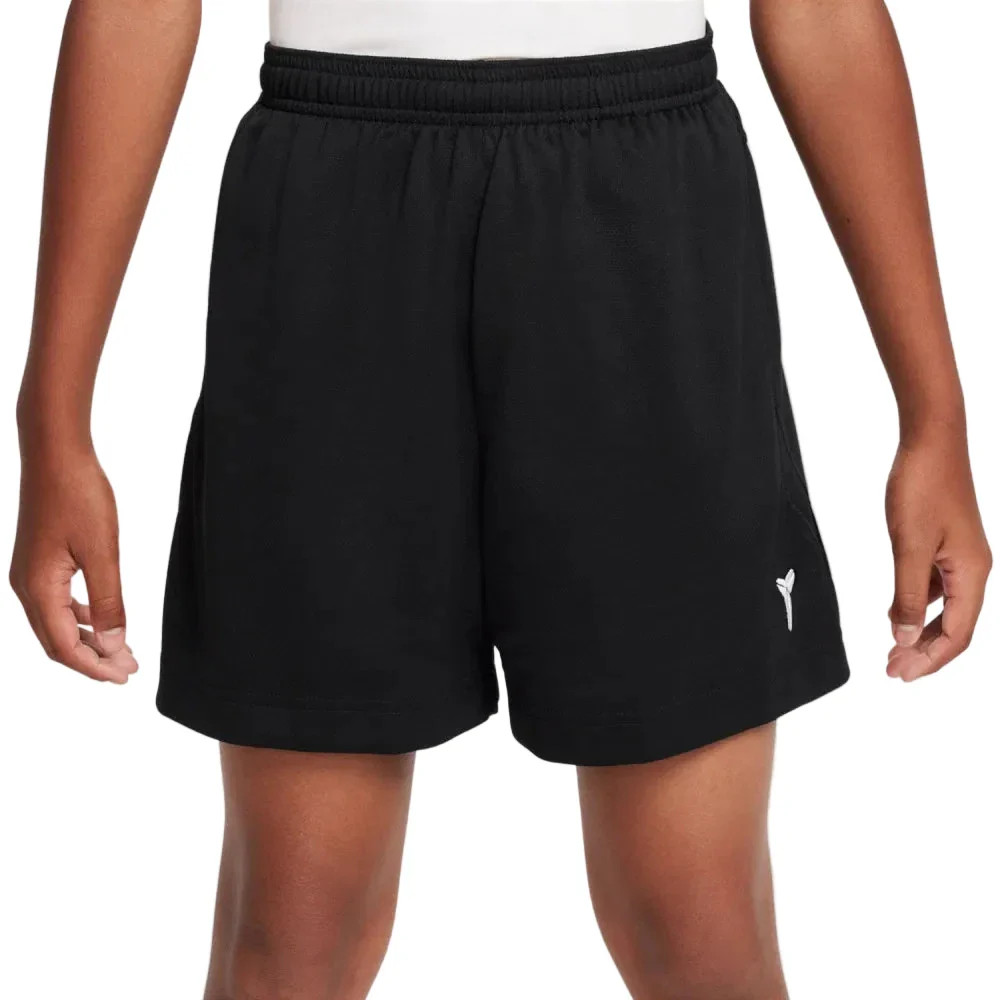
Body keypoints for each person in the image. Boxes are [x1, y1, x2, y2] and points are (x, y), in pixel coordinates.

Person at [10, 1, 991, 998]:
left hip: (639, 212)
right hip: (335, 218)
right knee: (295, 936)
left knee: (700, 931)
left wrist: (934, 418)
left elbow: (819, 11)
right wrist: (52, 420)